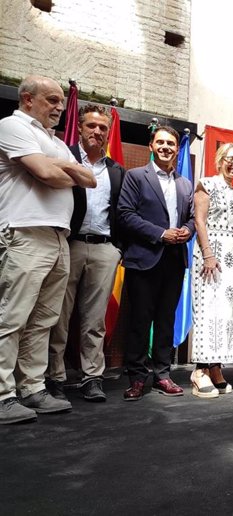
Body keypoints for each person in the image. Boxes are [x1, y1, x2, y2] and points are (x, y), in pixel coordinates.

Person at [0, 75, 96, 424]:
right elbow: (44, 173)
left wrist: (63, 167)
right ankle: (2, 394)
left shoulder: (55, 141)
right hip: (25, 231)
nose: (59, 108)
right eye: (52, 100)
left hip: (58, 237)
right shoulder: (11, 126)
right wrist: (67, 169)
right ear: (27, 99)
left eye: (61, 102)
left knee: (43, 321)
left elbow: (91, 179)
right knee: (12, 318)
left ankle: (32, 388)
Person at [46, 104, 126, 403]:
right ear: (79, 127)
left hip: (105, 249)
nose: (97, 131)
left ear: (108, 132)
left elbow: (121, 212)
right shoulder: (63, 157)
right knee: (58, 315)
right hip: (70, 244)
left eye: (103, 127)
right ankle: (54, 377)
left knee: (95, 321)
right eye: (91, 126)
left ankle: (92, 377)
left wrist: (118, 249)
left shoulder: (117, 170)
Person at [117, 126, 195, 401]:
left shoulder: (185, 184)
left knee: (166, 321)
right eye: (160, 142)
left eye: (171, 143)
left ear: (177, 148)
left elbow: (192, 218)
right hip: (144, 258)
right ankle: (136, 378)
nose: (166, 147)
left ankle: (162, 374)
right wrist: (161, 234)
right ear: (151, 145)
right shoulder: (136, 177)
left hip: (174, 261)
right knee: (139, 321)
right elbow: (125, 214)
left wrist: (188, 229)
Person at [187, 143, 233, 398]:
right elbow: (199, 220)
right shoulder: (206, 184)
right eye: (230, 159)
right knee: (208, 309)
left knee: (226, 313)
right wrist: (208, 254)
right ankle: (199, 370)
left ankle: (215, 367)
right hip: (212, 253)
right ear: (220, 159)